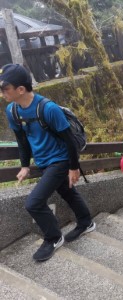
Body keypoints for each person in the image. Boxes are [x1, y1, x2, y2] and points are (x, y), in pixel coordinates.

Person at [1, 63, 95, 262]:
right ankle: (86, 222)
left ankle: (53, 237)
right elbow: (21, 140)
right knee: (67, 191)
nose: (2, 93)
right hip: (43, 161)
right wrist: (25, 165)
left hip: (60, 160)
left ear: (20, 89)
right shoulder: (12, 111)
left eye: (5, 89)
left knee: (33, 203)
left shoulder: (48, 108)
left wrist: (73, 167)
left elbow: (69, 140)